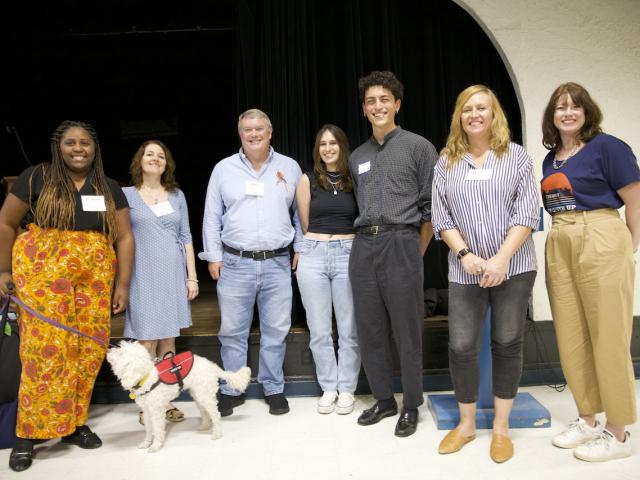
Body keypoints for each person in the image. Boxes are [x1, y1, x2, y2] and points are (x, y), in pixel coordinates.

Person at [0, 120, 134, 472]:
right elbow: (6, 222)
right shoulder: (36, 176)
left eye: (86, 143)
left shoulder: (107, 186)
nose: (79, 149)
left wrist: (122, 285)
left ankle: (73, 422)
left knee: (87, 350)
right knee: (44, 352)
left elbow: (124, 237)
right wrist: (3, 270)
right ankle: (26, 434)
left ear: (95, 148)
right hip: (43, 274)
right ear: (58, 146)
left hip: (93, 277)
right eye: (71, 142)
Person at [432, 85, 539, 463]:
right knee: (461, 346)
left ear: (494, 114)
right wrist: (465, 254)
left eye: (482, 108)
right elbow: (441, 217)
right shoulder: (446, 161)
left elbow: (527, 213)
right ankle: (465, 426)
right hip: (465, 269)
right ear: (459, 116)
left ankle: (501, 429)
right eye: (467, 109)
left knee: (507, 343)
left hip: (515, 266)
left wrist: (500, 259)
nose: (474, 114)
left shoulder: (518, 157)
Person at [541, 82, 640, 462]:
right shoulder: (553, 159)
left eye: (574, 106)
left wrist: (625, 247)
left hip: (600, 234)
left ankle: (618, 431)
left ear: (587, 111)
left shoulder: (608, 147)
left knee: (609, 335)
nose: (567, 113)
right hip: (561, 238)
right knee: (571, 334)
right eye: (560, 107)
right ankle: (587, 418)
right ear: (552, 116)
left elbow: (634, 202)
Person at [348, 71, 437, 437]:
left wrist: (416, 251)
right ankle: (384, 400)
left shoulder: (419, 147)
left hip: (402, 241)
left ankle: (411, 404)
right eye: (371, 101)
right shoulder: (357, 156)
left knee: (407, 330)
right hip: (363, 245)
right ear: (365, 109)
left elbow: (432, 208)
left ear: (397, 104)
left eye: (384, 99)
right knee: (370, 329)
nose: (378, 106)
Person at [200, 109, 302, 416]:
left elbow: (300, 212)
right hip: (235, 262)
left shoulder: (289, 167)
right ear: (240, 133)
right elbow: (211, 216)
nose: (254, 134)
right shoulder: (223, 169)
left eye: (260, 128)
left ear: (270, 132)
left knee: (276, 329)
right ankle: (232, 388)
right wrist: (214, 256)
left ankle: (273, 388)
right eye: (248, 129)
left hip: (277, 262)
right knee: (232, 331)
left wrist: (301, 247)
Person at [122, 140, 199, 424]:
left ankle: (165, 402)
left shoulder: (176, 195)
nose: (155, 158)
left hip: (172, 274)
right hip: (142, 274)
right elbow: (119, 237)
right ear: (139, 160)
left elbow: (186, 237)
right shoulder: (125, 195)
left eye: (161, 155)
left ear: (167, 163)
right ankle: (146, 405)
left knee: (168, 339)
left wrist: (191, 276)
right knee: (146, 342)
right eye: (149, 154)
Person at [295, 124, 360, 415]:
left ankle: (346, 389)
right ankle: (329, 388)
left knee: (349, 329)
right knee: (320, 330)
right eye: (323, 144)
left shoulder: (354, 179)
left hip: (349, 254)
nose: (328, 148)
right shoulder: (307, 180)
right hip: (314, 255)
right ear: (317, 149)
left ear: (342, 146)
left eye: (333, 143)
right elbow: (305, 222)